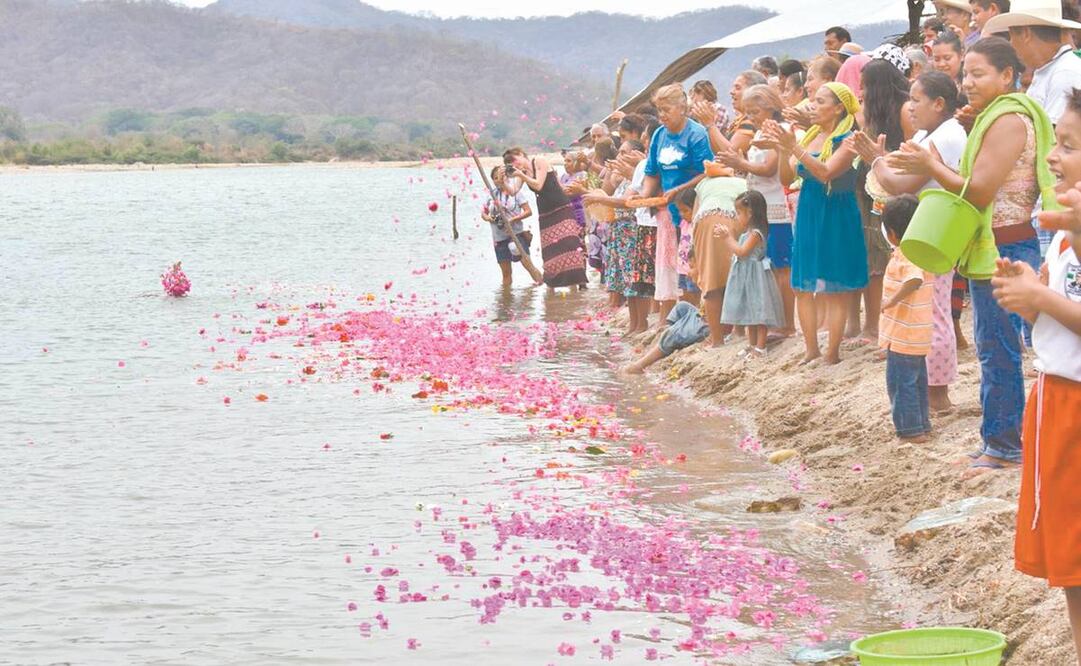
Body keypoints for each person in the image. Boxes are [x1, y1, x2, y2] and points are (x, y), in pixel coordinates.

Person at [887, 37, 1056, 474]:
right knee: (991, 347)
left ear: (1007, 75)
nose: (969, 82)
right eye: (967, 74)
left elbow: (979, 190)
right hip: (1002, 242)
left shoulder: (1009, 120)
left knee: (997, 350)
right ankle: (997, 439)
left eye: (979, 74)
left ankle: (1004, 444)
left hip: (1004, 244)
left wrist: (929, 167)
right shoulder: (997, 116)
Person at [995, 87, 1081, 664]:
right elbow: (1050, 307)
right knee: (1072, 556)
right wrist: (1026, 293)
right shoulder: (1065, 234)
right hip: (1056, 396)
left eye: (1068, 145)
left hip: (1074, 400)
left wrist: (1042, 300)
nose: (1053, 155)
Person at [854, 71, 967, 413]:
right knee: (926, 308)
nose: (910, 106)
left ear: (939, 103)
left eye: (916, 99)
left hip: (937, 231)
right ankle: (927, 391)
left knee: (934, 312)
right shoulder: (926, 132)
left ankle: (938, 394)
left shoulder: (947, 135)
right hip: (924, 229)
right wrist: (881, 160)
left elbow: (900, 184)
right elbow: (896, 175)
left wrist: (875, 159)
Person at [761, 81, 868, 365]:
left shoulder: (849, 139)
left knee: (834, 287)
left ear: (838, 108)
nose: (813, 106)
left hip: (836, 212)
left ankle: (831, 352)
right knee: (801, 285)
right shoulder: (810, 136)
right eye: (813, 100)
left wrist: (792, 146)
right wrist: (783, 149)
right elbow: (786, 179)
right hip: (808, 207)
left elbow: (826, 172)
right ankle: (811, 349)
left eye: (820, 101)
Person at [714, 84, 796, 336]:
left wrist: (740, 162)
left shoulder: (779, 131)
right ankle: (773, 321)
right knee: (769, 267)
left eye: (755, 111)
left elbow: (771, 168)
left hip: (776, 207)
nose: (750, 118)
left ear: (771, 107)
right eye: (747, 113)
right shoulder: (761, 133)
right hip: (763, 207)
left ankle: (787, 325)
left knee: (781, 268)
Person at [848, 59, 915, 344]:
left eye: (864, 86)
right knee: (872, 258)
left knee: (888, 258)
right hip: (872, 189)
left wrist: (880, 157)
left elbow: (914, 150)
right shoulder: (872, 114)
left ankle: (879, 326)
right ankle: (874, 324)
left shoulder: (903, 110)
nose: (860, 92)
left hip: (895, 192)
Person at [637, 83, 715, 305]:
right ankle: (685, 314)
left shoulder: (696, 134)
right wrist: (644, 195)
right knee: (679, 269)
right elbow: (652, 172)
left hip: (693, 208)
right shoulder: (659, 135)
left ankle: (702, 317)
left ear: (682, 108)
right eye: (659, 110)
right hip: (670, 211)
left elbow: (707, 171)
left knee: (695, 265)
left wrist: (679, 190)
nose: (661, 116)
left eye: (666, 110)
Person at [879, 195, 935, 442]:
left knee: (901, 384)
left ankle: (911, 430)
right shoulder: (923, 251)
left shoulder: (906, 254)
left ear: (892, 233)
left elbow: (914, 279)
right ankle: (922, 424)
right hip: (918, 332)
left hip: (904, 334)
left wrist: (892, 300)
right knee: (918, 381)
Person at [585, 140, 655, 334]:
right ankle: (634, 325)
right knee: (625, 282)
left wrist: (599, 198)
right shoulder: (626, 179)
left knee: (635, 281)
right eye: (620, 152)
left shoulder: (642, 174)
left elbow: (627, 202)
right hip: (620, 232)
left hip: (632, 231)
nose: (620, 157)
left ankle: (641, 324)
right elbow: (610, 193)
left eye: (625, 152)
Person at [504, 147, 588, 290]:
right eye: (510, 164)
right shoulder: (522, 173)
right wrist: (502, 181)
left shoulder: (539, 161)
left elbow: (538, 184)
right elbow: (513, 192)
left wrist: (521, 175)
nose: (515, 165)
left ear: (520, 154)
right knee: (551, 250)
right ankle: (553, 283)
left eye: (514, 160)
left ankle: (578, 281)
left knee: (569, 243)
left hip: (561, 207)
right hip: (545, 213)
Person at [987, 0, 1081, 123]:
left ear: (1026, 34)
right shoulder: (1050, 69)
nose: (1011, 44)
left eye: (1012, 36)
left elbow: (1053, 135)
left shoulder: (1065, 73)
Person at [717, 190, 786, 356]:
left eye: (739, 213)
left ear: (751, 213)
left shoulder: (755, 234)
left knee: (759, 311)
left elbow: (742, 252)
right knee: (749, 311)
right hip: (746, 277)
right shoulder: (747, 233)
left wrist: (727, 238)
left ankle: (761, 346)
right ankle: (753, 344)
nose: (737, 216)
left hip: (755, 277)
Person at [686, 176, 749, 346]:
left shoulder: (703, 183)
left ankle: (717, 339)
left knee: (712, 281)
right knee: (737, 274)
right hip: (736, 218)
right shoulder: (743, 182)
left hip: (707, 220)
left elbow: (694, 217)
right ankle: (739, 330)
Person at [481, 166, 534, 287]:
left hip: (516, 235)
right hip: (499, 238)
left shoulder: (515, 193)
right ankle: (506, 299)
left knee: (528, 266)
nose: (498, 180)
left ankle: (542, 286)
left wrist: (513, 220)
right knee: (506, 273)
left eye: (500, 177)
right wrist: (488, 218)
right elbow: (483, 213)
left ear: (506, 178)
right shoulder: (491, 194)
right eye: (495, 178)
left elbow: (528, 211)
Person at [623, 301, 710, 374]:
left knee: (672, 334)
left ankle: (640, 365)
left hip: (709, 323)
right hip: (702, 314)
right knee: (681, 306)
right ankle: (661, 346)